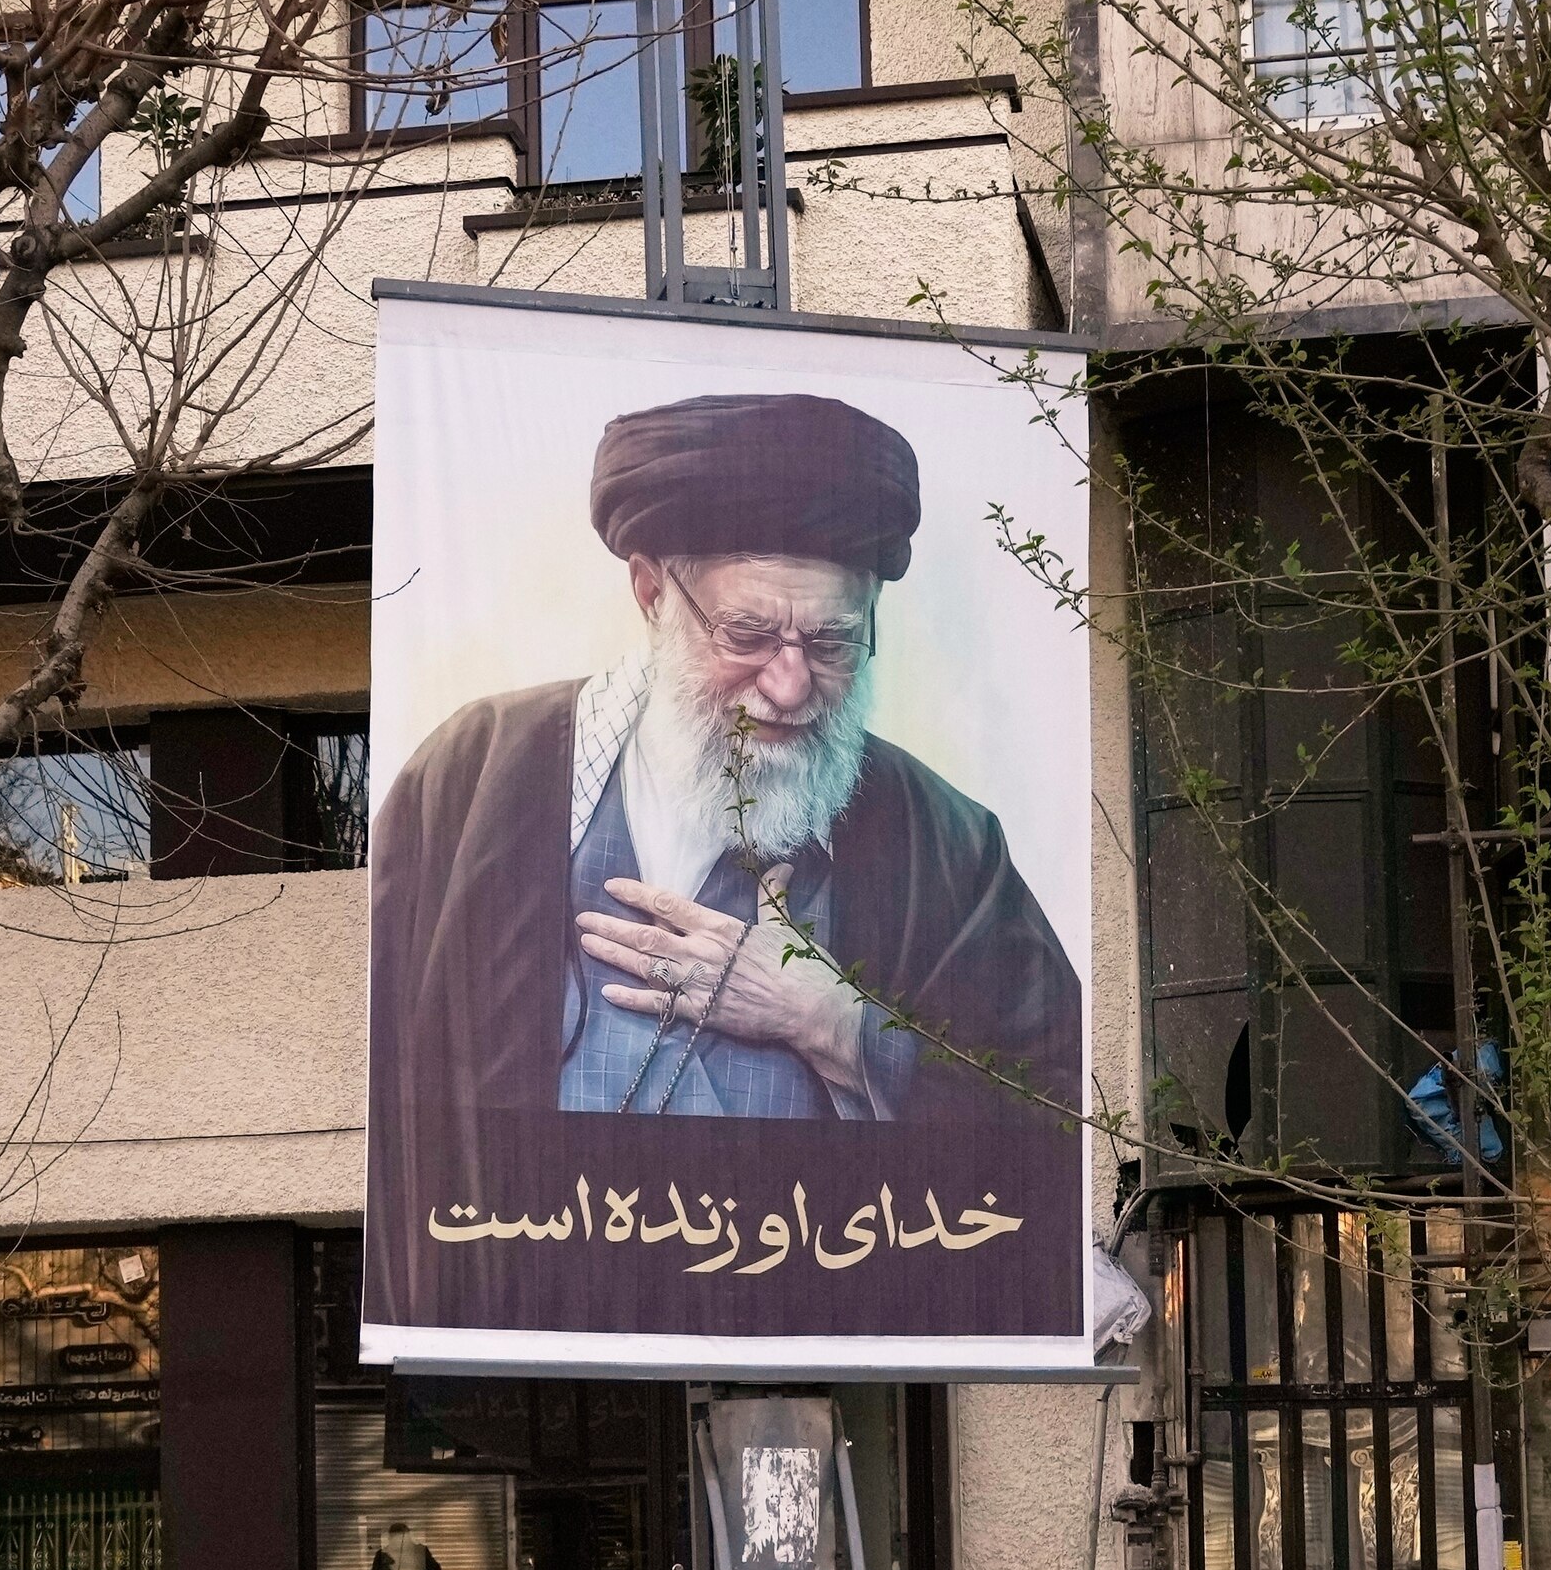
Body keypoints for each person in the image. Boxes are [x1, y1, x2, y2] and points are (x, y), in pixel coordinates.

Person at [366, 389, 1083, 1140]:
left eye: (832, 642)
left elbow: (1056, 1117)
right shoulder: (472, 781)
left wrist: (838, 1025)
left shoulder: (949, 847)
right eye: (747, 634)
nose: (789, 685)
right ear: (651, 595)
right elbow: (390, 1116)